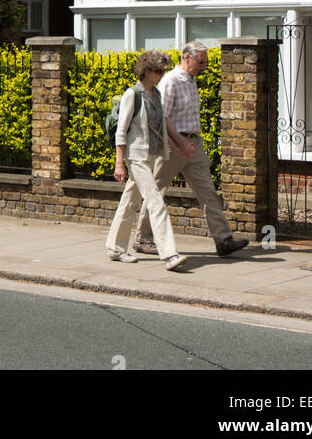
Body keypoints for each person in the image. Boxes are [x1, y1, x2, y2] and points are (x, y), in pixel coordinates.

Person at [133, 41, 248, 258]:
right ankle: (143, 239)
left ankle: (223, 240)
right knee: (155, 191)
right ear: (186, 57)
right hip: (174, 146)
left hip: (193, 143)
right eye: (200, 61)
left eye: (205, 61)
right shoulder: (171, 81)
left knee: (208, 192)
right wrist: (179, 144)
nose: (203, 65)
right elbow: (162, 117)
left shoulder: (190, 80)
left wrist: (190, 143)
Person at [105, 50, 198, 272]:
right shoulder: (132, 94)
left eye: (163, 70)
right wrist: (120, 163)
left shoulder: (155, 95)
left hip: (150, 156)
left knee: (129, 201)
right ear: (145, 71)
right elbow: (121, 131)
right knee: (155, 201)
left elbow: (162, 127)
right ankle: (170, 254)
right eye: (158, 71)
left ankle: (115, 248)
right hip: (135, 157)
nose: (161, 74)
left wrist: (181, 145)